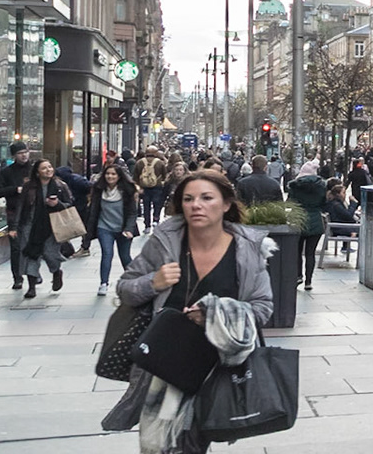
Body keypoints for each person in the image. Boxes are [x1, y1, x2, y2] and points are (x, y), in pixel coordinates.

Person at [104, 167, 275, 447]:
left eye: (207, 198)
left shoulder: (248, 250)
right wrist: (153, 282)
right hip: (165, 365)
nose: (196, 205)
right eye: (188, 199)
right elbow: (125, 288)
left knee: (196, 440)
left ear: (227, 204)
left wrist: (214, 313)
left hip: (217, 366)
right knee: (160, 444)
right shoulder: (164, 241)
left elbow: (262, 307)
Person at [14, 158, 76, 300]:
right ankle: (31, 287)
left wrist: (57, 204)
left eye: (49, 167)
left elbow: (70, 205)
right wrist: (14, 227)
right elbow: (21, 206)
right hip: (30, 225)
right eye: (44, 168)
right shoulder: (29, 187)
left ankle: (56, 272)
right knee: (31, 254)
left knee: (50, 254)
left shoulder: (60, 186)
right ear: (37, 173)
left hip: (52, 226)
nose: (48, 170)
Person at [86, 159, 141, 297]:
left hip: (123, 229)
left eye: (113, 174)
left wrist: (128, 229)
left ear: (119, 176)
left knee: (125, 256)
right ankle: (103, 283)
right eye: (107, 174)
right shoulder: (99, 190)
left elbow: (132, 213)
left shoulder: (127, 191)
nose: (110, 177)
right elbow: (93, 211)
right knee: (107, 254)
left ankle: (134, 280)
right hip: (104, 227)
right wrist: (87, 234)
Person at [0, 142, 35, 290]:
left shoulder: (35, 170)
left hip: (33, 213)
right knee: (16, 247)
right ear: (14, 156)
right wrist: (14, 190)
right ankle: (17, 277)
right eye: (20, 153)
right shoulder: (7, 172)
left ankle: (33, 274)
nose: (24, 155)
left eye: (26, 152)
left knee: (33, 245)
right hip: (14, 213)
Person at [287, 160, 327, 290]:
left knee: (297, 251)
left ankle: (298, 275)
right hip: (315, 221)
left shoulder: (294, 187)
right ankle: (309, 281)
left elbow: (290, 203)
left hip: (299, 220)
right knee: (310, 253)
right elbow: (324, 204)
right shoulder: (321, 186)